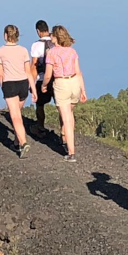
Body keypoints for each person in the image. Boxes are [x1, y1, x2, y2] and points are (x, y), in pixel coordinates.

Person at [42, 25, 86, 162]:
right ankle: (66, 136)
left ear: (54, 37)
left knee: (66, 118)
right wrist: (83, 90)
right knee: (70, 115)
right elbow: (78, 72)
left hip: (61, 84)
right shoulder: (72, 51)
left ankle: (71, 152)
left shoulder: (52, 53)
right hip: (74, 83)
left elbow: (48, 74)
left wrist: (44, 85)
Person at [0, 24, 36, 159]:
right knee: (18, 114)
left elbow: (1, 74)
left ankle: (23, 144)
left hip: (10, 84)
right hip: (23, 84)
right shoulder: (23, 50)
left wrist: (3, 89)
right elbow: (28, 72)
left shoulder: (0, 51)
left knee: (15, 116)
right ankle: (16, 142)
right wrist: (33, 90)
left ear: (5, 35)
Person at [29, 20, 54, 137]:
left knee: (39, 105)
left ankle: (40, 127)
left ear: (38, 31)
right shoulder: (56, 43)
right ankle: (64, 132)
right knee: (61, 106)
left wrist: (31, 83)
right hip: (56, 79)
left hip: (41, 79)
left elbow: (34, 65)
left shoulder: (36, 45)